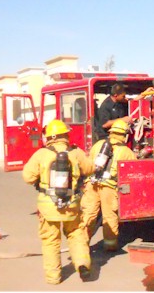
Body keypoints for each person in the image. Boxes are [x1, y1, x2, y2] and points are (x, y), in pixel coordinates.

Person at [22, 119, 94, 285]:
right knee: (76, 234)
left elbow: (28, 176)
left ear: (50, 137)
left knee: (50, 241)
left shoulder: (42, 154)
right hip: (72, 204)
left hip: (48, 206)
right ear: (65, 135)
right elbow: (89, 168)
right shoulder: (76, 152)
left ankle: (53, 277)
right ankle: (83, 265)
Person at [80, 119, 137, 252]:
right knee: (109, 216)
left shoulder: (98, 144)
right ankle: (110, 245)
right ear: (124, 135)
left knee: (88, 214)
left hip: (91, 184)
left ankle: (81, 244)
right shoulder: (126, 151)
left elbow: (89, 162)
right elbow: (134, 170)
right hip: (109, 188)